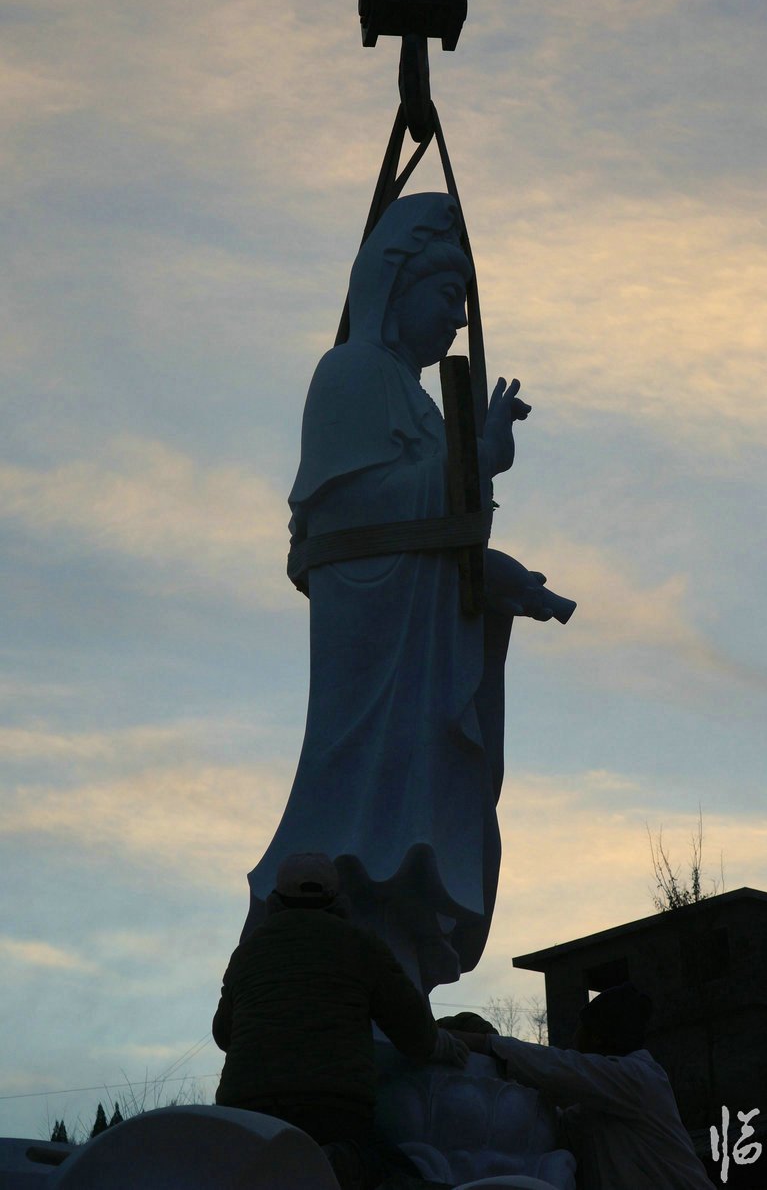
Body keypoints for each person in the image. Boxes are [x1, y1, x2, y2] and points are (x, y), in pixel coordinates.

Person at [244, 192, 572, 990]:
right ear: (396, 288)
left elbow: (437, 529)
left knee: (422, 812)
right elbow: (355, 512)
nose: (458, 319)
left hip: (420, 640)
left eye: (463, 302)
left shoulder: (414, 397)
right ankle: (342, 944)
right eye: (447, 295)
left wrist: (501, 579)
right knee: (364, 816)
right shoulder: (351, 372)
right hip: (376, 642)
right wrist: (475, 462)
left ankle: (398, 965)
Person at [213, 851, 466, 1190]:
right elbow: (413, 1031)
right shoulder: (358, 944)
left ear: (275, 899)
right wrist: (444, 1045)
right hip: (332, 1106)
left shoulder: (247, 953)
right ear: (335, 899)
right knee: (394, 1171)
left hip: (246, 1110)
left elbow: (223, 1033)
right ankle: (340, 1163)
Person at [449, 983, 713, 1190]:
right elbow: (556, 1120)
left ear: (596, 1036)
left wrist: (487, 1045)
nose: (575, 1037)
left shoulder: (640, 1078)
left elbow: (557, 1067)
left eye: (582, 1028)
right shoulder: (599, 1106)